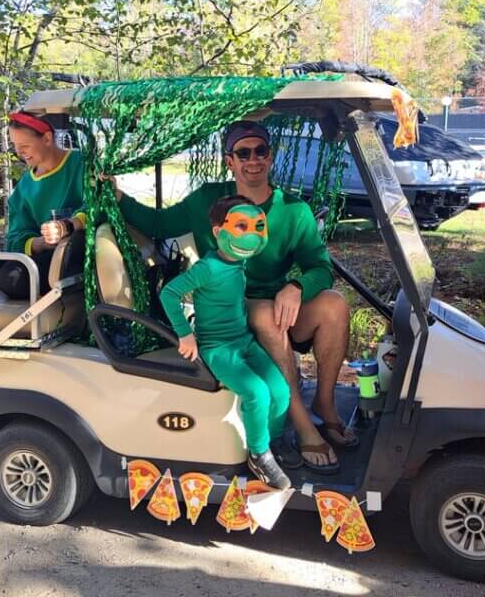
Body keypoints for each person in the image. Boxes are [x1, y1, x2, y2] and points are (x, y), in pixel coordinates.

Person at [112, 120, 354, 474]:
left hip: (281, 298)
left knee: (334, 304)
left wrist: (297, 286)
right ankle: (303, 425)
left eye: (261, 151)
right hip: (235, 304)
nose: (253, 159)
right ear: (230, 160)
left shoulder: (292, 209)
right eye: (243, 153)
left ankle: (326, 404)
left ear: (271, 157)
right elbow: (159, 224)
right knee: (267, 317)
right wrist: (118, 197)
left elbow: (319, 266)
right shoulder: (209, 200)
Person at [159, 196, 291, 490]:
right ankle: (259, 453)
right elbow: (169, 293)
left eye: (256, 228)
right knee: (256, 392)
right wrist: (185, 333)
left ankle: (274, 440)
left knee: (280, 389)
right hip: (217, 348)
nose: (251, 236)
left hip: (243, 340)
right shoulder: (208, 268)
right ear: (219, 232)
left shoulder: (239, 260)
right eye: (241, 227)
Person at [0, 111, 88, 299]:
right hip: (42, 256)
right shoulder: (24, 186)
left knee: (13, 278)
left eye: (24, 146)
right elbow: (15, 236)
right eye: (15, 146)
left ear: (47, 139)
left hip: (78, 257)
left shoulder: (82, 165)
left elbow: (100, 206)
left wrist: (67, 226)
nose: (18, 152)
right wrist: (39, 244)